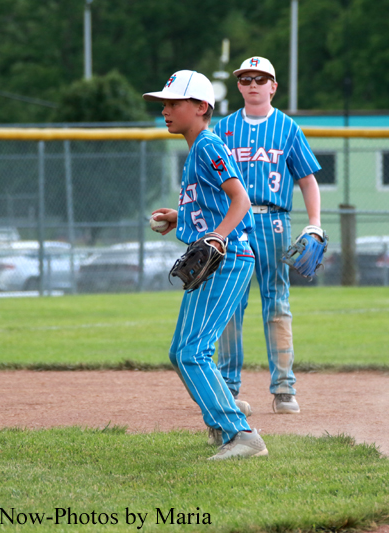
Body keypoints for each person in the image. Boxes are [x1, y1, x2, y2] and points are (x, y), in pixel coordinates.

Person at [143, 70, 268, 460]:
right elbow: (212, 204)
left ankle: (241, 435)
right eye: (163, 104)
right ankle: (223, 413)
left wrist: (217, 237)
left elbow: (240, 200)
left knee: (191, 352)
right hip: (222, 260)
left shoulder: (208, 145)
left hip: (227, 259)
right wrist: (180, 218)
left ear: (201, 107)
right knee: (184, 351)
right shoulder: (198, 148)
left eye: (173, 103)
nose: (165, 110)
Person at [213, 56, 324, 414]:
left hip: (274, 221)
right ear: (238, 86)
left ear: (273, 87)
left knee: (277, 302)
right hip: (234, 222)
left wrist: (314, 223)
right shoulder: (223, 129)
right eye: (246, 79)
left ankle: (284, 389)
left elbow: (307, 180)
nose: (253, 84)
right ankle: (227, 388)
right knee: (230, 304)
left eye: (261, 79)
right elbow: (209, 180)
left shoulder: (287, 128)